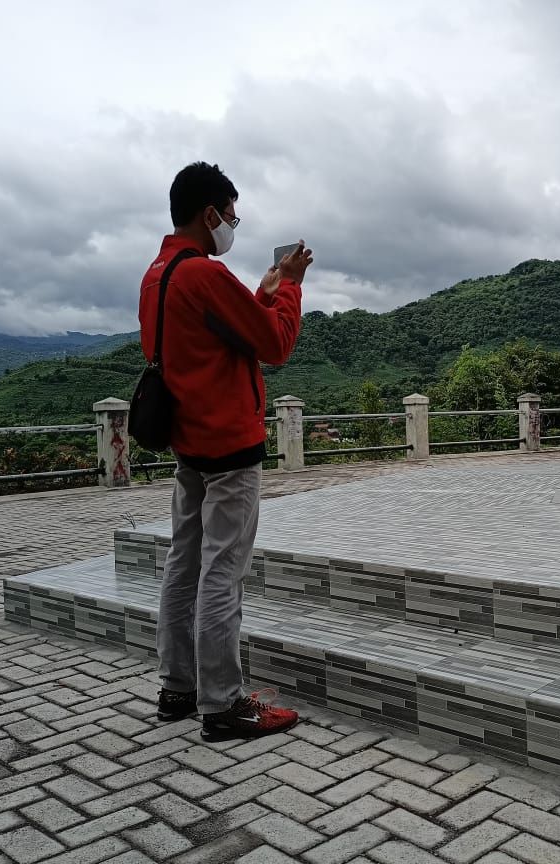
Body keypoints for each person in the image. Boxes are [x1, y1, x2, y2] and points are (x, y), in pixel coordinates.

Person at [138, 161, 312, 740]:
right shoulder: (205, 276)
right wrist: (289, 287)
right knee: (223, 575)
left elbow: (219, 338)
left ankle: (177, 687)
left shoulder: (157, 275)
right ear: (209, 213)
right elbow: (275, 344)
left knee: (182, 565)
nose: (233, 225)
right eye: (231, 215)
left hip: (189, 444)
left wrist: (261, 294)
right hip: (230, 447)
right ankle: (223, 703)